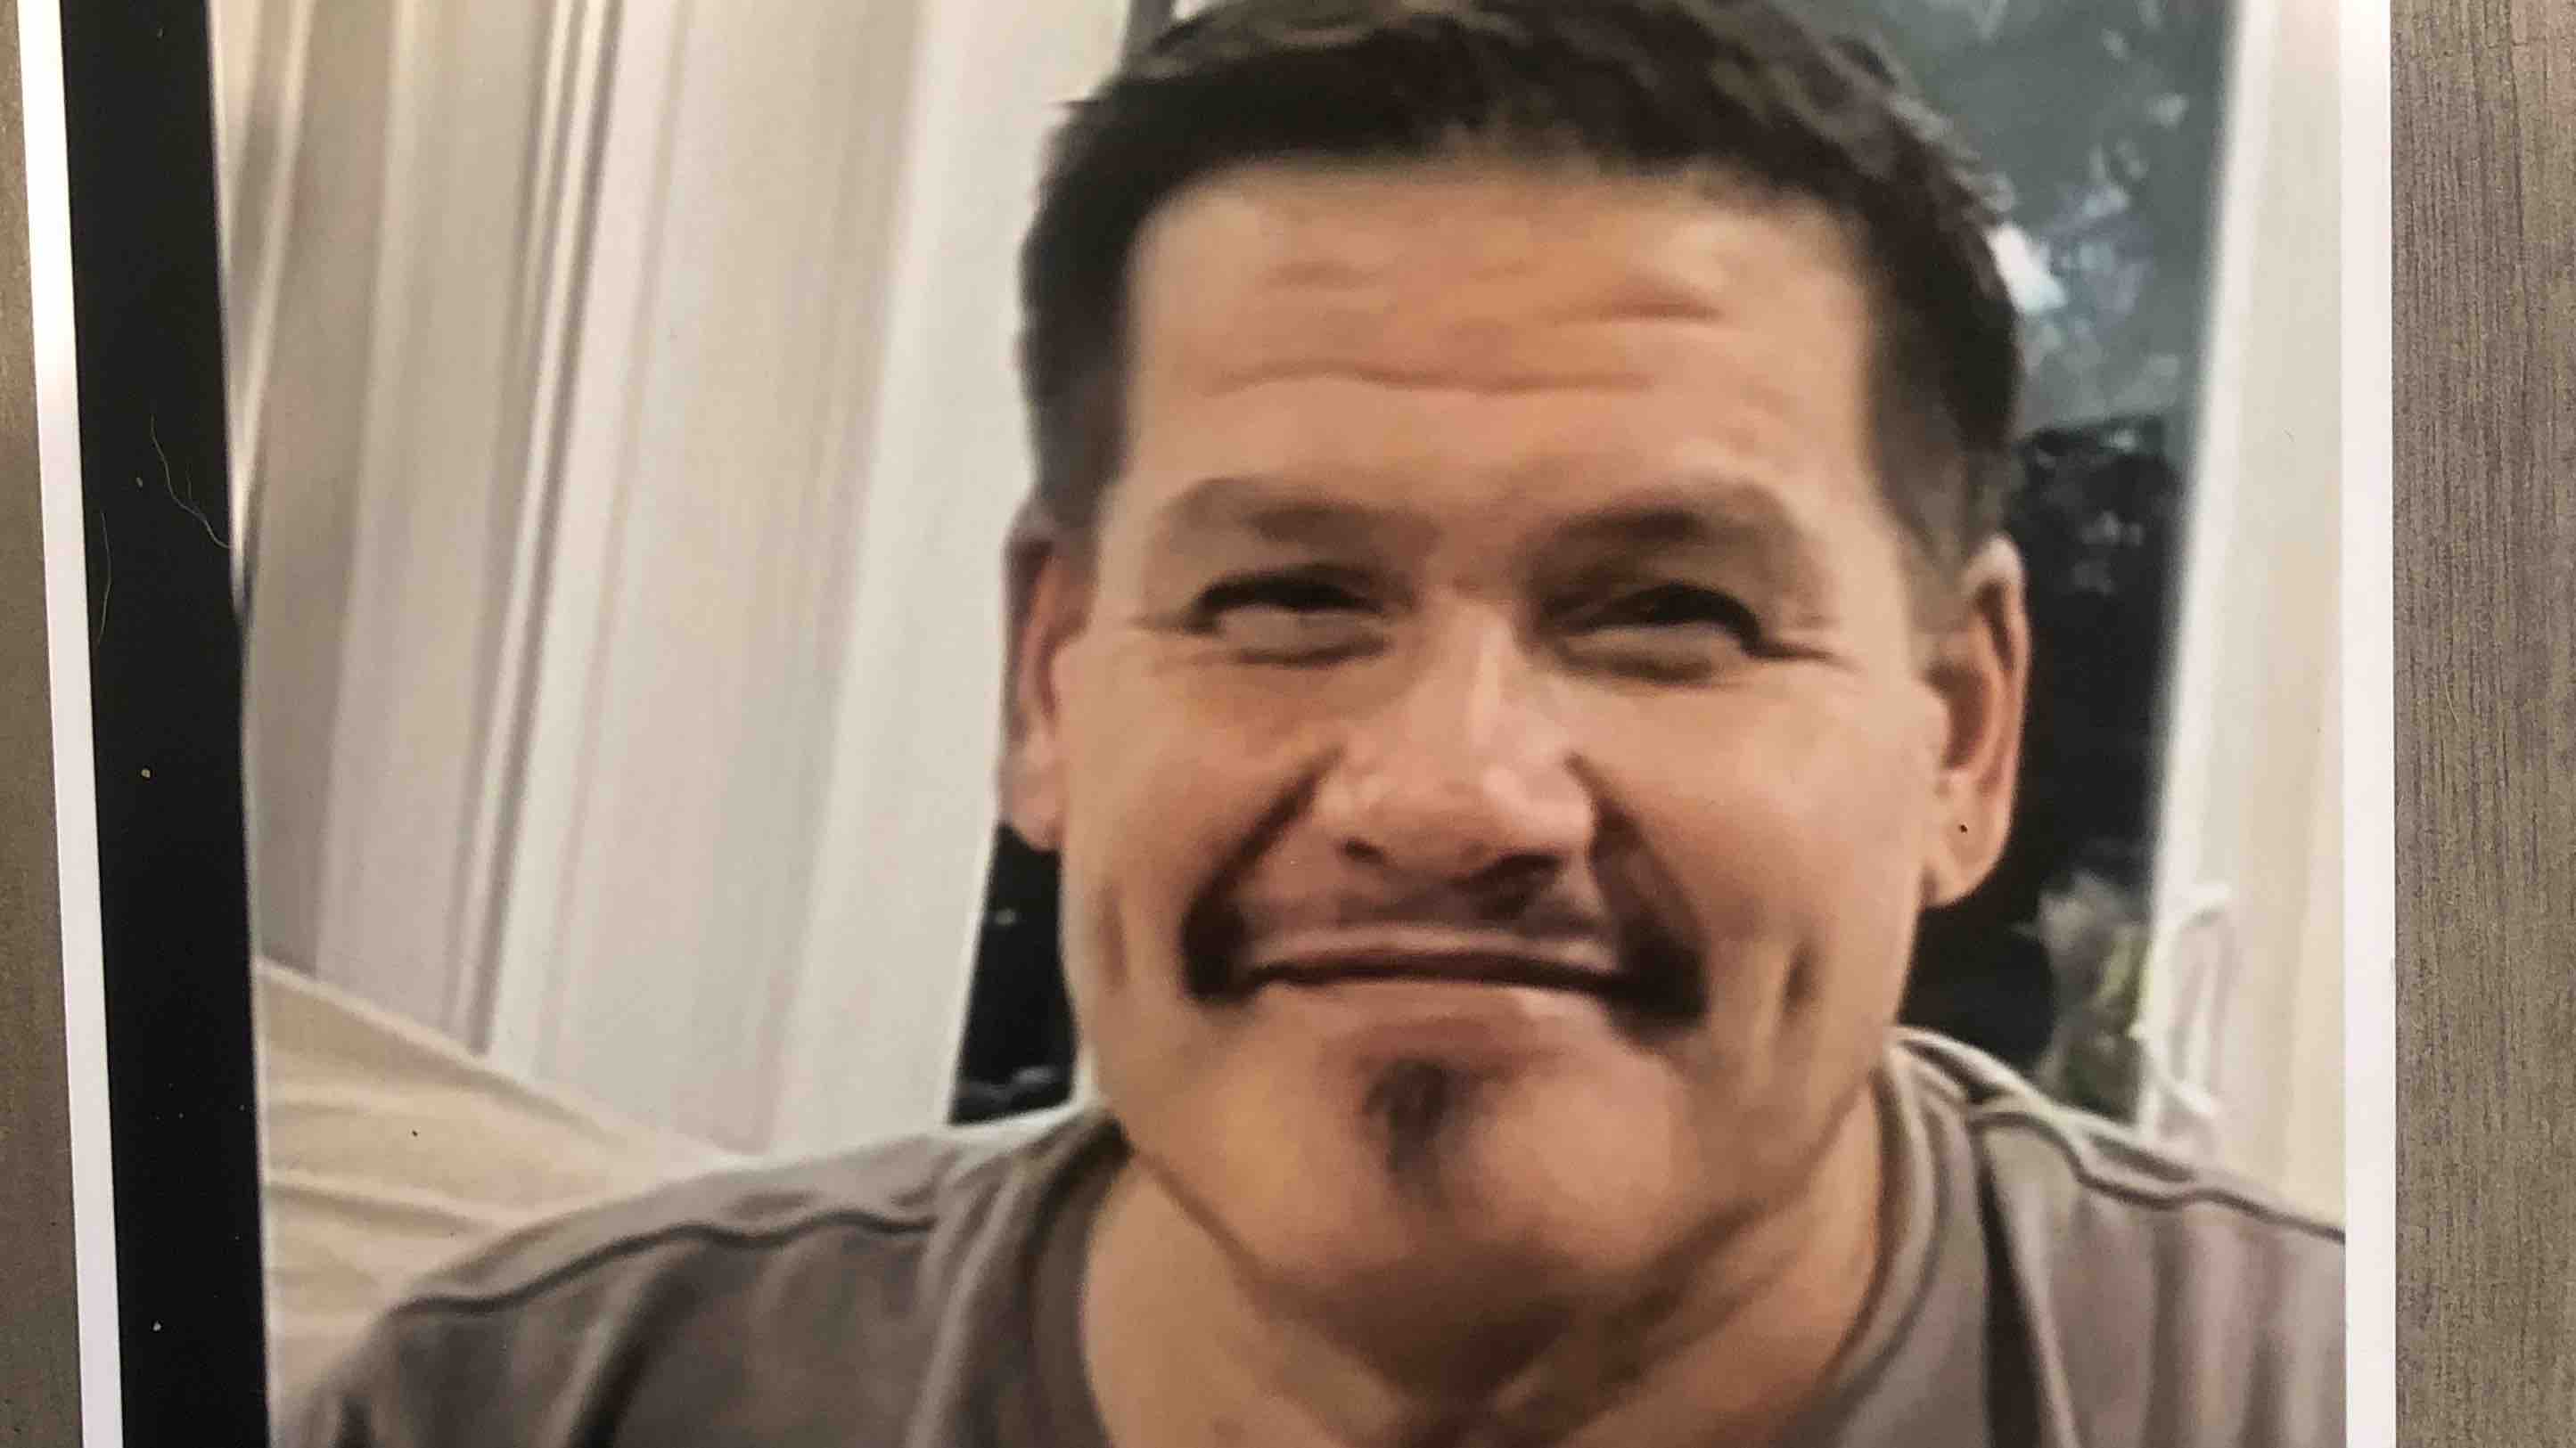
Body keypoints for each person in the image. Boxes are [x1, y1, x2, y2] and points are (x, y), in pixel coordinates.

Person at [284, 2, 2343, 1444]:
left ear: (1960, 734)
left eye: (1669, 615)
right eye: (1284, 600)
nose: (1451, 797)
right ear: (1048, 684)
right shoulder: (520, 1410)